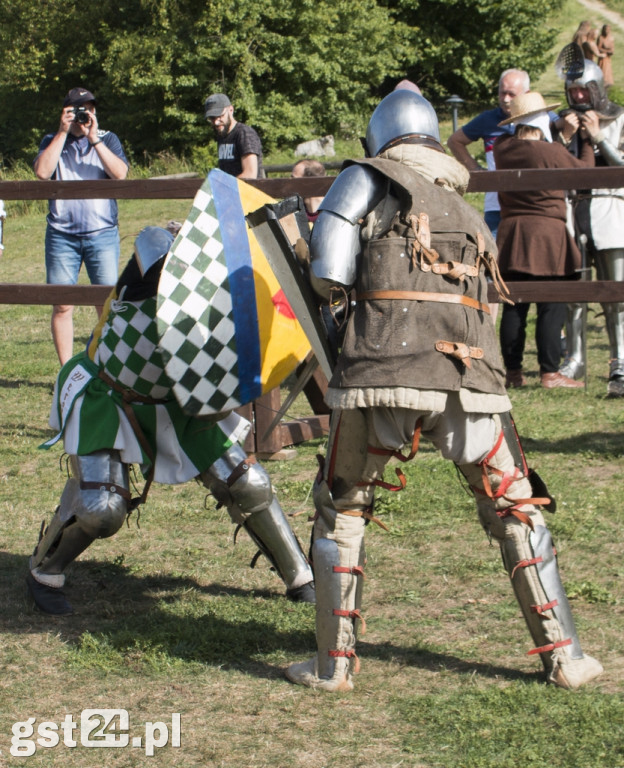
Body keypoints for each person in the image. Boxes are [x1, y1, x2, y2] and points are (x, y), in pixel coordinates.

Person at [284, 89, 603, 693]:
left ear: (379, 137)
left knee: (343, 510)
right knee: (516, 509)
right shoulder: (459, 198)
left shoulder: (365, 178)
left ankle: (334, 668)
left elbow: (327, 272)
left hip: (383, 373)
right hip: (470, 380)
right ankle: (567, 658)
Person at [26, 226, 315, 616]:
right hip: (109, 396)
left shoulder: (242, 292)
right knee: (102, 507)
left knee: (247, 482)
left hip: (176, 402)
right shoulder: (160, 251)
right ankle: (45, 570)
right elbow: (156, 257)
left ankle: (300, 575)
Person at [493, 92, 594, 389]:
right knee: (551, 305)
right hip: (548, 236)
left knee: (514, 307)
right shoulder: (551, 152)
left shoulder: (502, 148)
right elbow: (585, 174)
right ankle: (549, 373)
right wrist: (586, 140)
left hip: (513, 234)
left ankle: (513, 373)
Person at [34, 87, 129, 367]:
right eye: (77, 110)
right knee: (62, 304)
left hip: (102, 235)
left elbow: (120, 174)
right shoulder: (52, 140)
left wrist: (94, 139)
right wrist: (63, 133)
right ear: (65, 113)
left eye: (89, 108)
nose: (83, 115)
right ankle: (66, 370)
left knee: (106, 304)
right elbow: (42, 173)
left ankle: (108, 366)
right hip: (62, 236)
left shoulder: (108, 138)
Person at [555, 57, 624, 396]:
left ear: (596, 89)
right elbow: (550, 164)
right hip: (573, 212)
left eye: (584, 89)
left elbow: (622, 166)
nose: (579, 96)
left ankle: (620, 360)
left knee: (616, 296)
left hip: (611, 212)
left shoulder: (619, 117)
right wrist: (565, 136)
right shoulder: (560, 123)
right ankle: (576, 357)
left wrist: (598, 137)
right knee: (574, 295)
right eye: (573, 90)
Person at [447, 69, 531, 241]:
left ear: (526, 94)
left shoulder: (540, 119)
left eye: (511, 94)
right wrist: (476, 170)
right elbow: (455, 141)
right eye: (502, 93)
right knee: (493, 259)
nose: (506, 99)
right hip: (496, 206)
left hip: (529, 204)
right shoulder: (489, 119)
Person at [204, 93, 263, 179]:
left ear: (231, 110)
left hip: (248, 191)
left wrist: (224, 187)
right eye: (212, 118)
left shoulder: (244, 133)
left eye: (220, 116)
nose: (216, 122)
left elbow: (250, 175)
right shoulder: (222, 135)